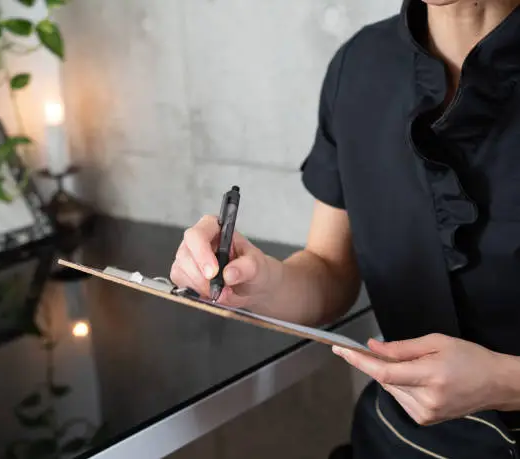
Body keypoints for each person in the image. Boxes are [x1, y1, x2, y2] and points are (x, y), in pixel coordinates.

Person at [170, 0, 520, 457]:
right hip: (395, 443)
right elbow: (329, 270)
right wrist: (259, 281)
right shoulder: (358, 66)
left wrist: (504, 383)